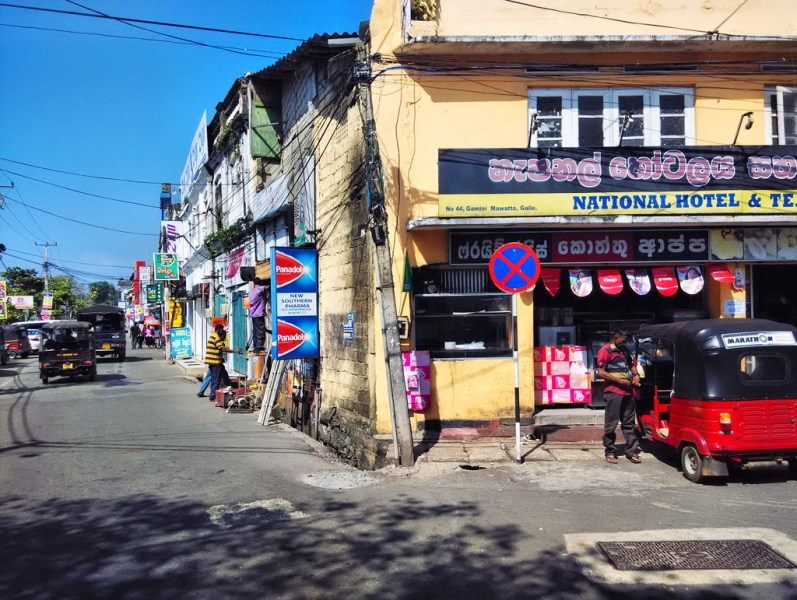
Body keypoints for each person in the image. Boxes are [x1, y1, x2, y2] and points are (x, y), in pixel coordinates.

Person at [597, 330, 641, 464]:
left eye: (625, 341)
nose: (624, 343)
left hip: (628, 391)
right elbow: (601, 372)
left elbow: (631, 366)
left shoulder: (625, 350)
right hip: (614, 392)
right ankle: (610, 451)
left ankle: (631, 451)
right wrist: (620, 381)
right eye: (622, 341)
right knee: (611, 423)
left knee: (629, 423)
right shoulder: (605, 351)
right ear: (615, 338)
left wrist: (636, 375)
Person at [205, 323, 241, 402]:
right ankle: (213, 396)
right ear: (218, 330)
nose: (223, 331)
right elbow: (222, 349)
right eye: (222, 330)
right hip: (215, 362)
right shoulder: (216, 338)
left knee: (223, 374)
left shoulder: (213, 336)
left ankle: (228, 387)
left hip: (213, 361)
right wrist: (235, 351)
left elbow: (219, 348)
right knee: (216, 380)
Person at [248, 277, 268, 352]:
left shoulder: (251, 292)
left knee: (255, 331)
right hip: (259, 314)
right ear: (260, 283)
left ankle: (255, 346)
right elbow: (266, 287)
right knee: (260, 330)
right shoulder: (259, 289)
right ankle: (259, 347)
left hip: (253, 314)